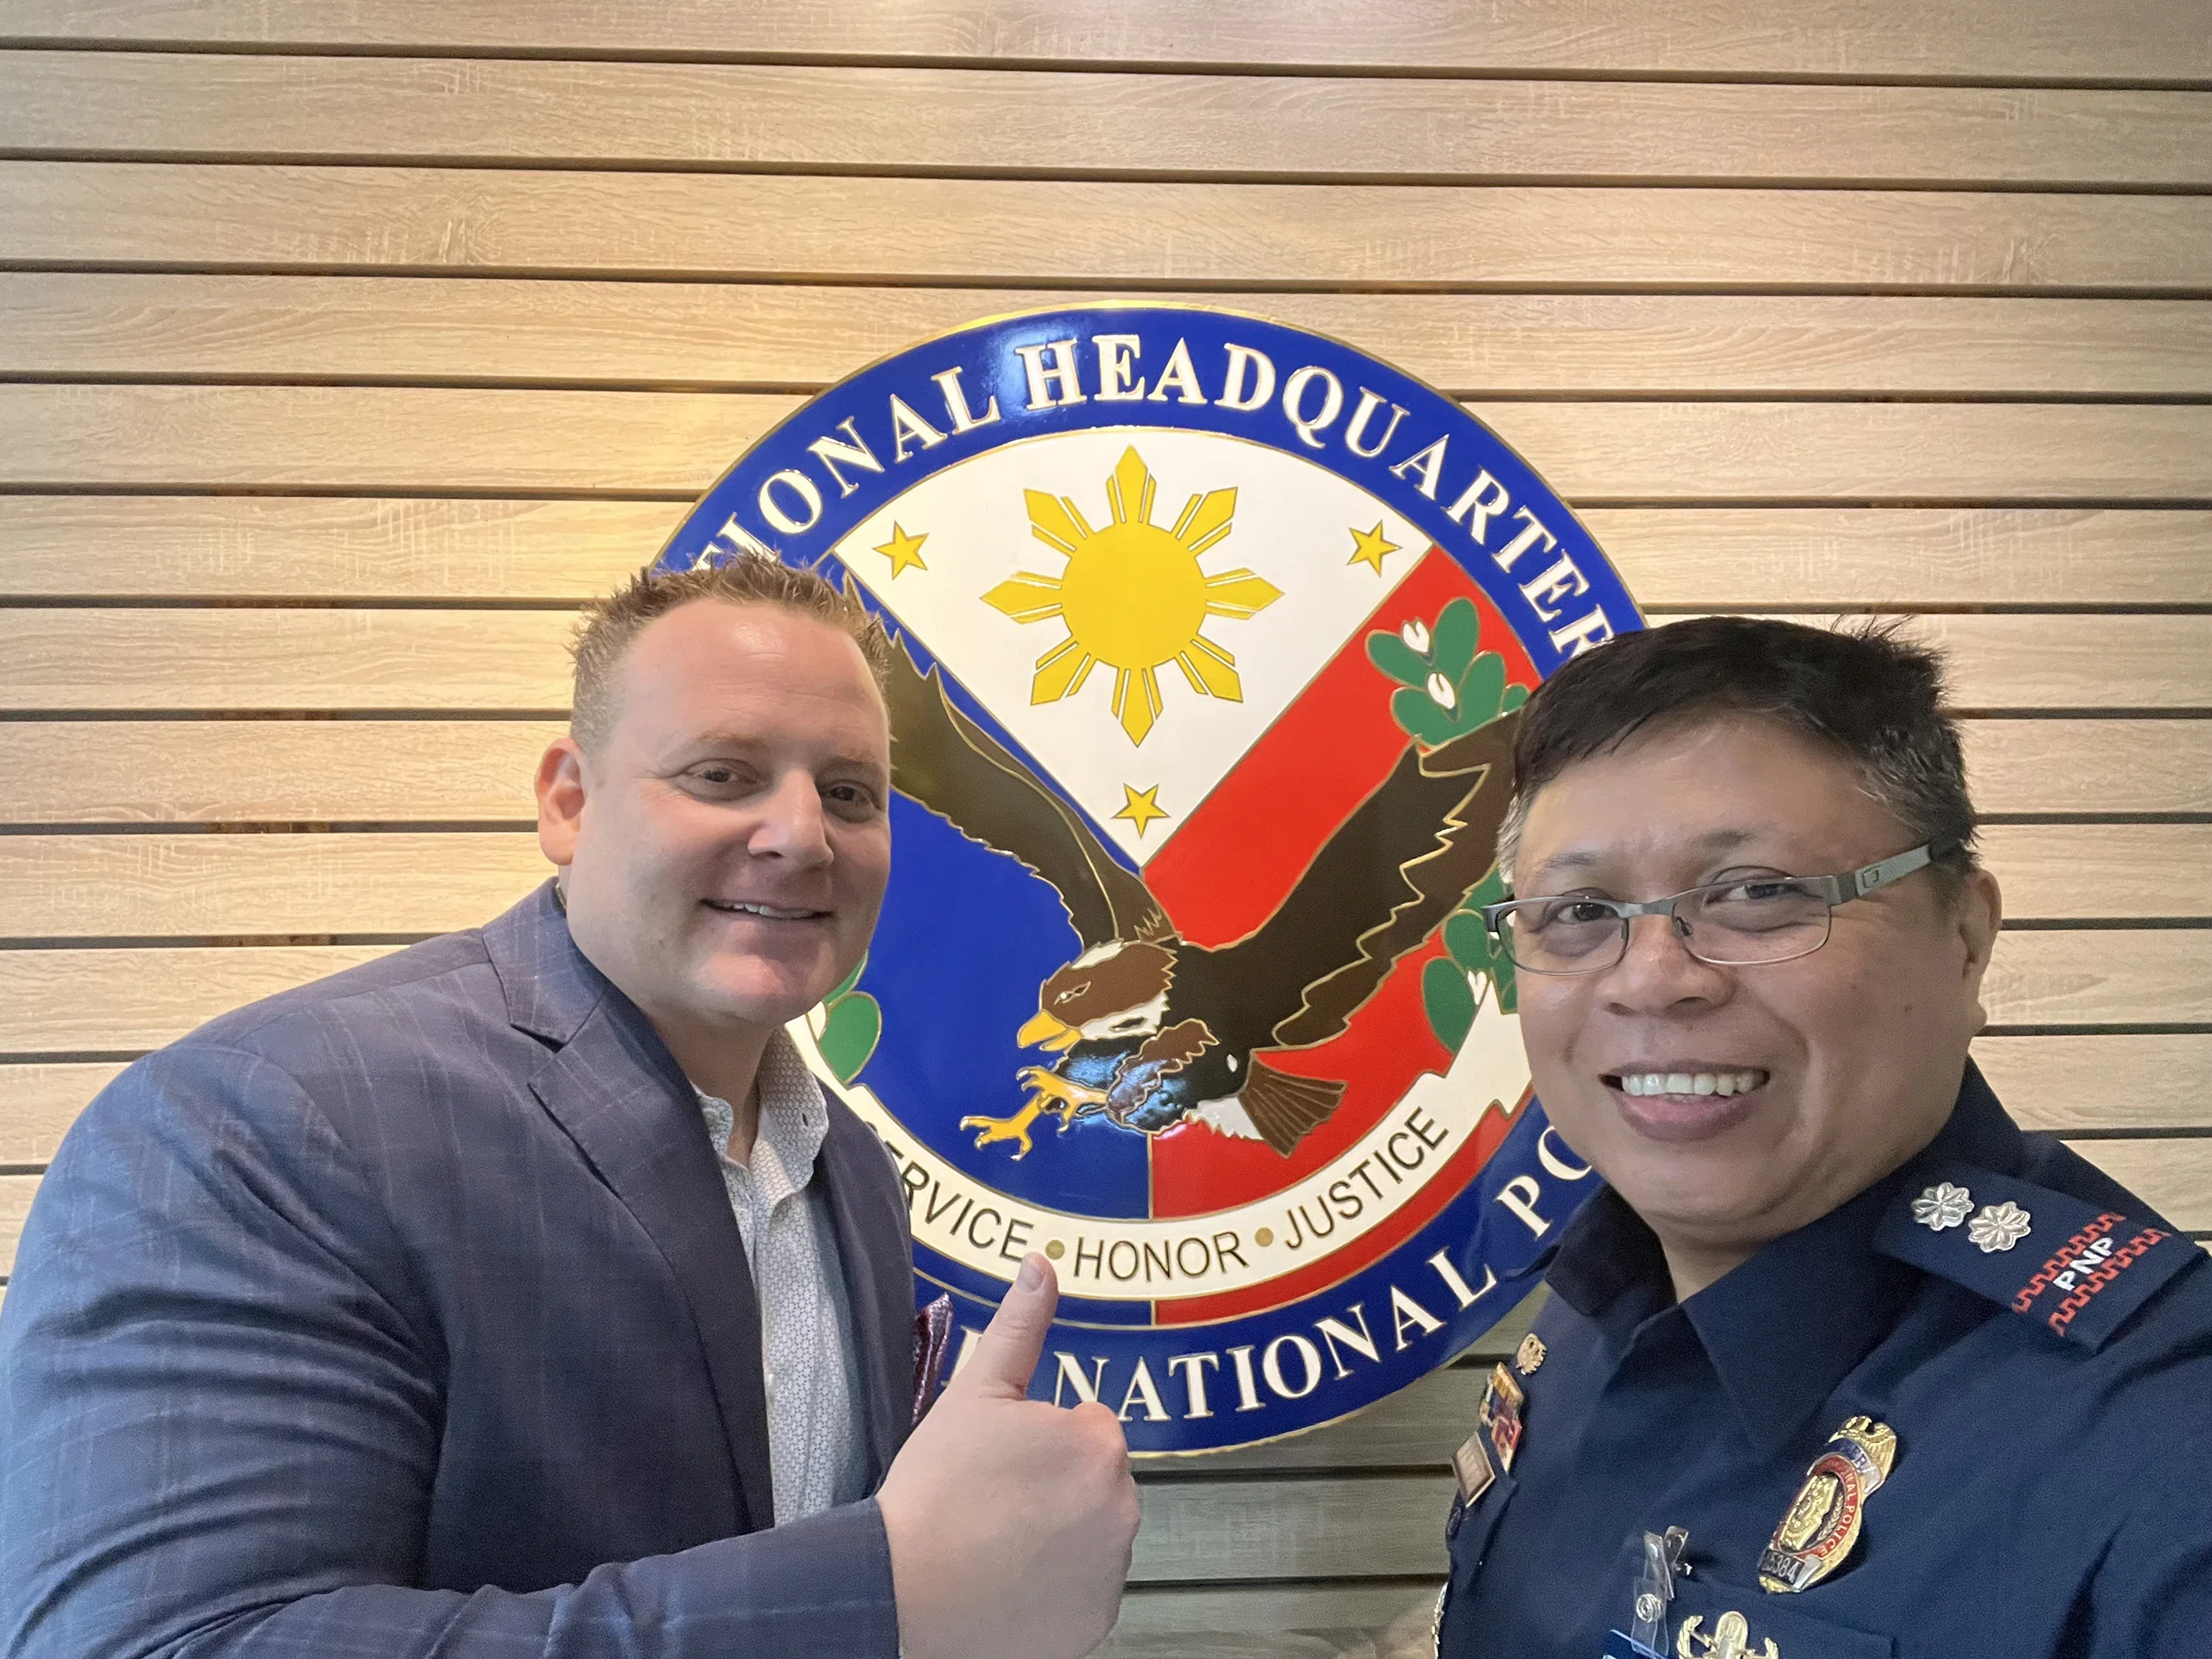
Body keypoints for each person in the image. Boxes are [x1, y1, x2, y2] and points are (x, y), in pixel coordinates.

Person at [0, 557, 1140, 1659]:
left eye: (848, 792)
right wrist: (886, 1596)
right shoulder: (259, 1124)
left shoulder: (845, 1166)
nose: (803, 835)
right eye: (723, 774)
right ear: (569, 801)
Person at [1433, 618, 2212, 1659]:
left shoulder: (2160, 1446)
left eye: (1757, 895)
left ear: (1966, 939)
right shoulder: (1590, 1312)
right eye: (1577, 910)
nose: (1651, 977)